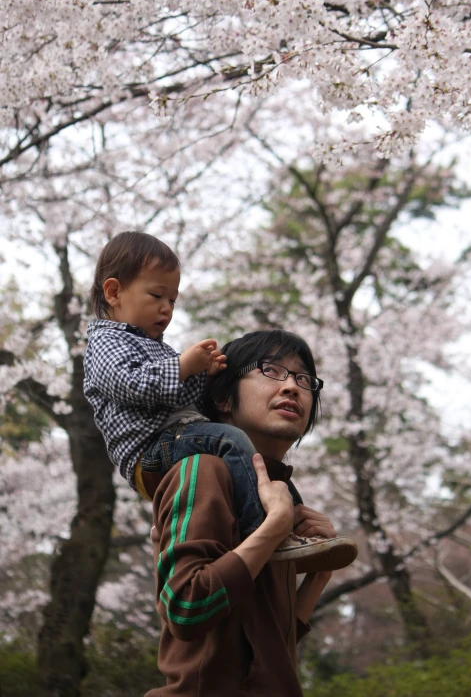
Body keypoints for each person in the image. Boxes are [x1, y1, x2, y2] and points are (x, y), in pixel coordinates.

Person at [84, 231, 356, 567]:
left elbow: (182, 398)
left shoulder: (152, 347)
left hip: (171, 437)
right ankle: (267, 530)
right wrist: (184, 365)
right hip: (151, 451)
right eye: (156, 295)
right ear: (113, 292)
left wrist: (203, 374)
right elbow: (132, 385)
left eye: (172, 300)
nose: (166, 308)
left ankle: (300, 533)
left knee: (269, 475)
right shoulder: (106, 343)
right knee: (232, 440)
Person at [145, 329, 358, 697]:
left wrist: (318, 575)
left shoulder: (281, 497)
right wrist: (273, 529)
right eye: (271, 371)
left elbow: (267, 647)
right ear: (224, 398)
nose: (292, 386)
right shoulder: (203, 470)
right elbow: (185, 608)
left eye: (303, 378)